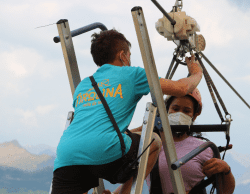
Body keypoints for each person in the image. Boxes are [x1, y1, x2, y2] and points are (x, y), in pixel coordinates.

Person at [51, 29, 203, 194]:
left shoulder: (84, 85)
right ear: (122, 55)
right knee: (153, 141)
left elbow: (95, 123)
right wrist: (196, 72)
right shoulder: (132, 74)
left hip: (67, 154)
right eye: (129, 55)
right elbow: (181, 88)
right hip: (105, 148)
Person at [103, 88, 235, 194]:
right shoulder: (151, 144)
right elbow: (136, 179)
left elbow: (225, 191)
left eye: (186, 111)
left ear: (194, 115)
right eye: (175, 109)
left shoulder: (204, 148)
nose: (179, 114)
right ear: (167, 110)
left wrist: (226, 170)